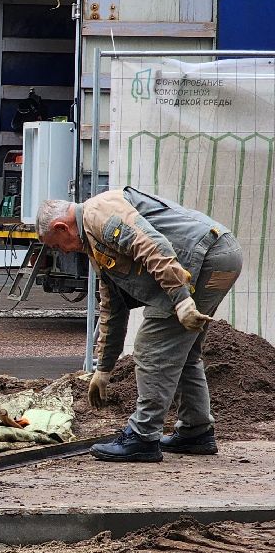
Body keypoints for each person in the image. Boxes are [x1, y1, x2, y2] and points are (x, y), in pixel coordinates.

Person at [36, 188, 243, 462]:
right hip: (218, 255)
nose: (60, 251)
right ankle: (196, 431)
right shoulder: (94, 240)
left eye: (55, 245)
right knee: (184, 352)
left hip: (203, 259)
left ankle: (143, 437)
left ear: (61, 227)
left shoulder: (100, 213)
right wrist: (104, 368)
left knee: (151, 348)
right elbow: (112, 305)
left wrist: (181, 300)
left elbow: (152, 245)